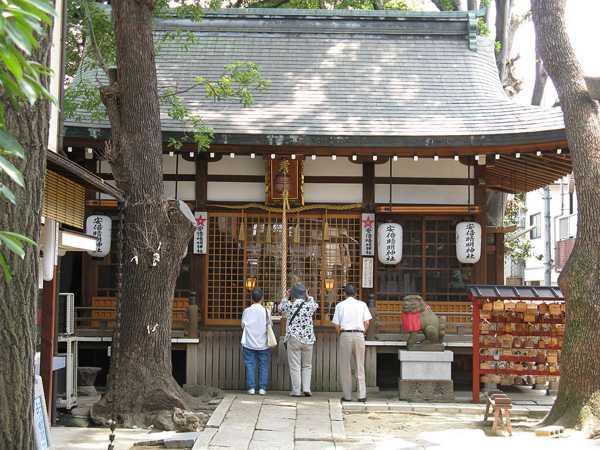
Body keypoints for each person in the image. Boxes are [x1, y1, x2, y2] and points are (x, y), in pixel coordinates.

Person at [332, 284, 372, 402]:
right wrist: (362, 333)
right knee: (360, 364)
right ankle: (361, 395)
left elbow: (336, 324)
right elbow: (367, 322)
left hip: (345, 334)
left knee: (345, 366)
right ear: (355, 294)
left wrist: (342, 334)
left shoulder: (340, 305)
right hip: (359, 334)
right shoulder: (362, 304)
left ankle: (347, 395)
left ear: (344, 294)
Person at [279, 282, 319, 397]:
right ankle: (306, 388)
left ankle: (296, 391)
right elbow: (314, 304)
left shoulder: (290, 306)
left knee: (295, 365)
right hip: (308, 339)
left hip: (294, 338)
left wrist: (286, 297)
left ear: (293, 294)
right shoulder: (309, 306)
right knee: (307, 365)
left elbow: (280, 308)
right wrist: (308, 296)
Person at [241, 287, 271, 395]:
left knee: (250, 365)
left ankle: (251, 388)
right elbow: (270, 325)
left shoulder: (247, 311)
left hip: (249, 342)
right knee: (263, 365)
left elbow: (243, 325)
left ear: (251, 299)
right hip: (263, 343)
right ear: (262, 298)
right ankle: (262, 388)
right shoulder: (266, 311)